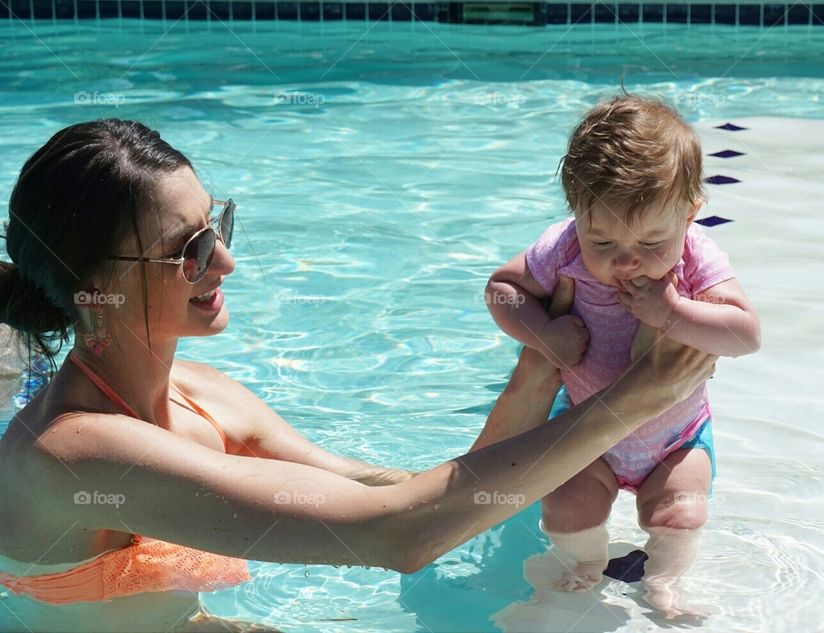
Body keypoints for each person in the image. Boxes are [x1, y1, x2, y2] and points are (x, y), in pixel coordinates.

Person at [0, 119, 715, 632]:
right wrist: (628, 403)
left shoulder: (204, 396)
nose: (224, 263)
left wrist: (536, 373)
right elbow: (392, 539)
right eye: (187, 248)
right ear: (91, 281)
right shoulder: (72, 452)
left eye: (216, 226)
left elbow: (412, 498)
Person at [484, 95, 761, 615]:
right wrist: (542, 332)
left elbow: (745, 335)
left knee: (678, 515)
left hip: (676, 438)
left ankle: (666, 582)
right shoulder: (564, 248)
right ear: (577, 217)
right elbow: (501, 288)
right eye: (603, 241)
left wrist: (673, 311)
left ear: (690, 212)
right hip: (587, 433)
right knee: (567, 509)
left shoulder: (699, 255)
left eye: (653, 241)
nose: (627, 260)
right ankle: (583, 565)